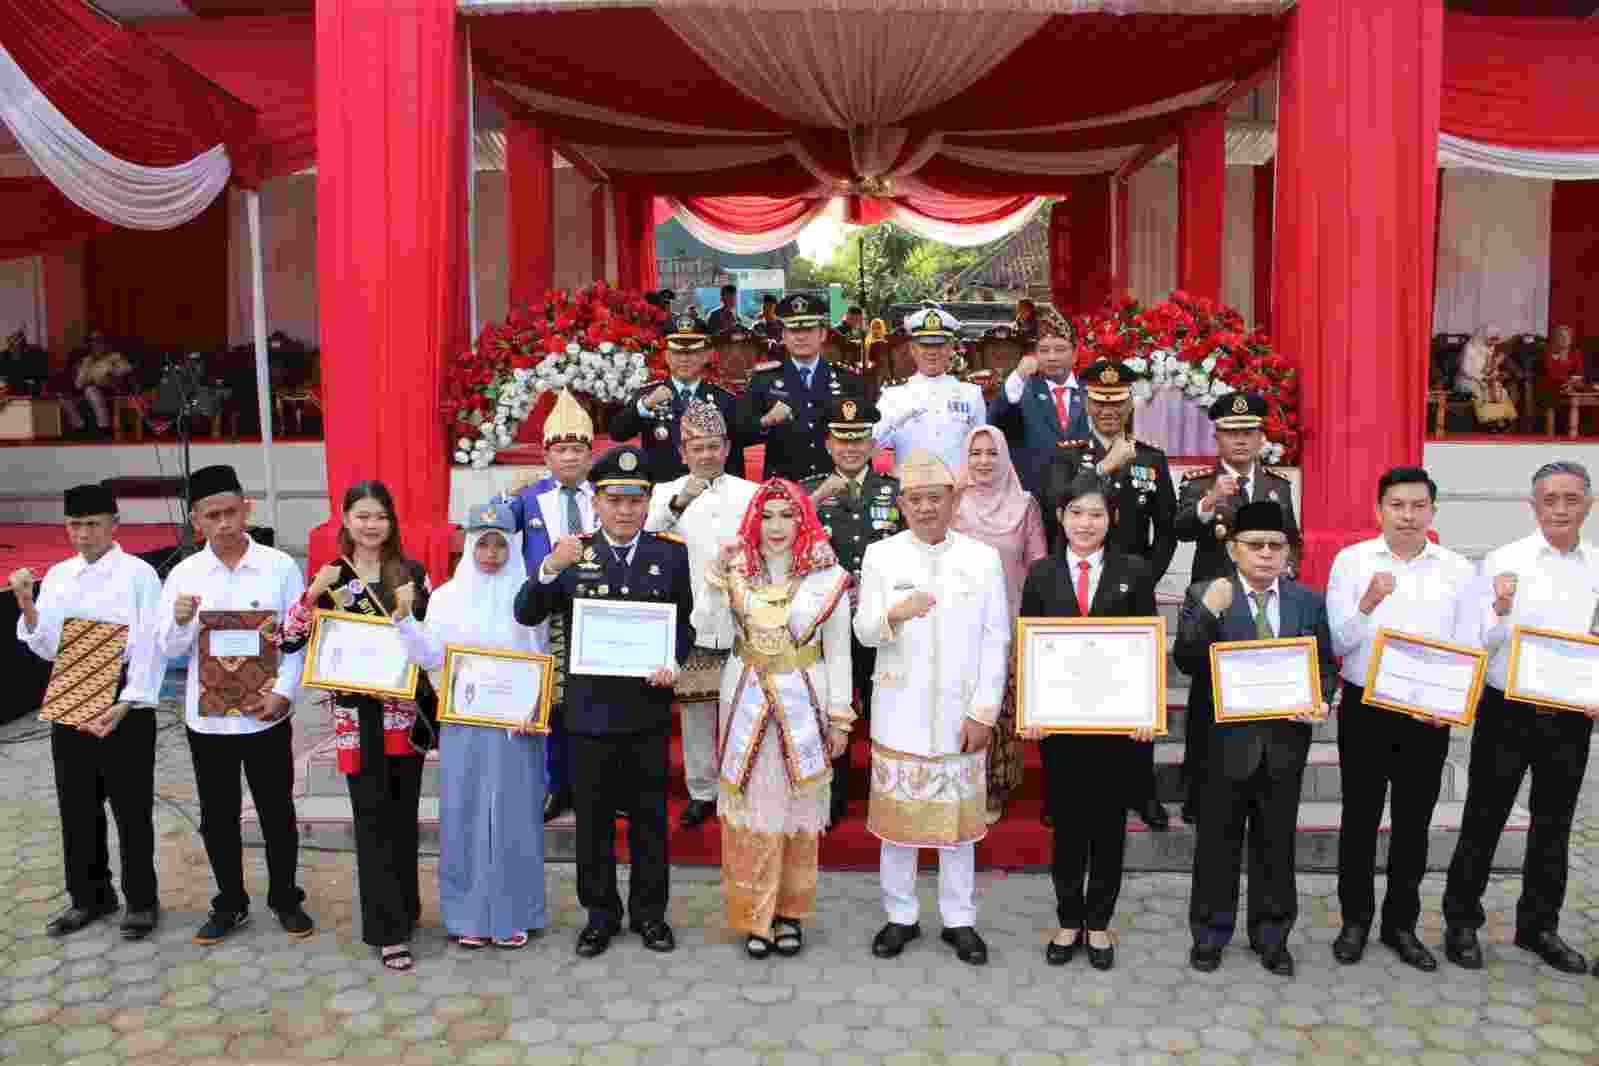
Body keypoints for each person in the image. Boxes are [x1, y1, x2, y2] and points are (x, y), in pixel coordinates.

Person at [515, 445, 695, 957]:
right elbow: (527, 613)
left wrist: (674, 660)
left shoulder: (670, 554)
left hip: (647, 711)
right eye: (614, 500)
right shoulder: (574, 553)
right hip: (589, 716)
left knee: (649, 821)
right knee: (592, 824)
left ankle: (650, 914)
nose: (624, 510)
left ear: (647, 502)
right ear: (596, 502)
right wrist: (549, 567)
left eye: (635, 501)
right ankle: (600, 915)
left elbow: (685, 623)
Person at [1441, 461, 1599, 976]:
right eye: (1549, 499)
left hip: (1570, 715)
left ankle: (1539, 926)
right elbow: (1476, 639)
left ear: (1588, 505)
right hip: (1507, 708)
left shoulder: (1597, 566)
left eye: (1571, 499)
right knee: (1484, 816)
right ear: (1533, 506)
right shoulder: (1502, 561)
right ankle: (1461, 922)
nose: (1560, 509)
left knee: (1554, 823)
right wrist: (1500, 608)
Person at [855, 448, 1010, 967]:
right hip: (900, 707)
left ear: (953, 501)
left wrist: (984, 711)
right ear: (901, 505)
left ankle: (959, 918)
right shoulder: (882, 555)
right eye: (915, 499)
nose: (925, 508)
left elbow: (996, 639)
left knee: (956, 827)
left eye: (935, 498)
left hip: (960, 713)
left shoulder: (981, 558)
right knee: (898, 826)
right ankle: (900, 915)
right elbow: (863, 630)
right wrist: (894, 614)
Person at [278, 481, 435, 971]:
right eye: (362, 516)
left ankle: (405, 910)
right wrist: (312, 594)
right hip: (355, 718)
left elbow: (430, 644)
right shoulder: (331, 576)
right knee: (371, 822)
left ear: (392, 522)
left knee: (403, 819)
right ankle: (387, 931)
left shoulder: (412, 573)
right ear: (345, 520)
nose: (371, 525)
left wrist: (412, 619)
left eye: (380, 516)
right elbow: (288, 639)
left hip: (401, 716)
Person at [1324, 466, 1475, 973]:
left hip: (1428, 713)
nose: (1407, 515)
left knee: (1414, 821)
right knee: (1360, 818)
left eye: (1418, 506)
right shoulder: (1352, 562)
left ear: (1432, 511)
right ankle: (1355, 920)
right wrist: (1368, 602)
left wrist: (1449, 704)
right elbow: (1338, 642)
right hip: (1366, 707)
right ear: (1378, 510)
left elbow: (1468, 645)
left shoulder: (1458, 570)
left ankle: (1401, 925)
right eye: (1397, 505)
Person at [1177, 501, 1337, 978]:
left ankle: (1272, 935)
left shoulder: (1308, 601)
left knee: (1276, 844)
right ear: (1233, 550)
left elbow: (1324, 664)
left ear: (1287, 552)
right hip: (1222, 746)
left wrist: (1322, 699)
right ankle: (1210, 934)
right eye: (1255, 545)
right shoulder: (1207, 593)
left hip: (1284, 744)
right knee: (1216, 845)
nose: (1266, 554)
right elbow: (1186, 659)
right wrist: (1208, 612)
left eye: (1275, 545)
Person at [156, 464, 314, 945]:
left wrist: (284, 692)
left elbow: (298, 637)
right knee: (217, 816)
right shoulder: (184, 574)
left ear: (247, 508)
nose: (224, 523)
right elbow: (169, 649)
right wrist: (180, 620)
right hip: (208, 722)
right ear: (195, 521)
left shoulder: (279, 566)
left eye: (231, 511)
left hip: (266, 715)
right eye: (212, 515)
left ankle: (285, 897)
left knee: (276, 810)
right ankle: (230, 901)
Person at [698, 479, 854, 957]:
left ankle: (789, 914)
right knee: (752, 810)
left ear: (804, 519)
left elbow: (839, 652)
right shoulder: (735, 569)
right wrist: (714, 576)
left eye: (787, 515)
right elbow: (708, 628)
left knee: (796, 810)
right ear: (753, 521)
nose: (776, 526)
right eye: (766, 516)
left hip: (804, 699)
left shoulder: (827, 575)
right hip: (745, 695)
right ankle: (755, 916)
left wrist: (841, 717)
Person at [12, 483, 166, 940]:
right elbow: (47, 647)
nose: (83, 534)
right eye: (75, 525)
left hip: (124, 693)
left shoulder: (139, 574)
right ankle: (90, 897)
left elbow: (150, 643)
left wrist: (129, 700)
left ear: (114, 524)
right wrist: (27, 605)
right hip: (73, 687)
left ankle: (141, 901)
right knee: (76, 803)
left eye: (93, 524)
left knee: (131, 805)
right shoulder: (60, 575)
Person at [1017, 472, 1157, 971]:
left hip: (1116, 727)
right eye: (1076, 513)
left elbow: (1147, 645)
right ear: (1060, 517)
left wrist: (1147, 711)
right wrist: (1031, 709)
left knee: (1109, 828)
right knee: (1068, 827)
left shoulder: (1134, 572)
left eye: (1096, 514)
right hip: (1061, 727)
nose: (1086, 523)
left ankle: (1099, 922)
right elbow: (1028, 645)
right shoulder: (1041, 574)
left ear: (1111, 519)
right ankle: (1067, 919)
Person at [398, 500, 550, 953]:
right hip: (463, 720)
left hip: (516, 726)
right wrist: (405, 625)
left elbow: (540, 655)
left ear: (512, 546)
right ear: (468, 545)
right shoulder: (446, 597)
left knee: (515, 817)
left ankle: (514, 913)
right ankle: (467, 914)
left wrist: (534, 707)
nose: (490, 554)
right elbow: (432, 658)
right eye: (482, 544)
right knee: (464, 814)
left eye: (499, 544)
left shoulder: (527, 595)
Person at [1045, 359, 1177, 830]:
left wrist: (1145, 579)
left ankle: (1141, 790)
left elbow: (1166, 530)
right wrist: (1104, 468)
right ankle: (1061, 793)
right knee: (1067, 689)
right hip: (1078, 591)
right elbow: (1055, 508)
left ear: (1128, 405)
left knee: (1136, 693)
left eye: (1116, 402)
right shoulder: (1068, 456)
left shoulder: (1151, 459)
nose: (1107, 410)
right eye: (1099, 402)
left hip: (1129, 595)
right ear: (1086, 403)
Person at [1174, 392, 1300, 825]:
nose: (1241, 440)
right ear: (1217, 437)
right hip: (1217, 603)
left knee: (1258, 694)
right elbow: (1180, 528)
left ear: (1261, 437)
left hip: (1264, 601)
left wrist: (1288, 572)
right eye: (1231, 433)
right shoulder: (1198, 482)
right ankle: (1197, 794)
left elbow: (1292, 538)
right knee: (1206, 700)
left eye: (1249, 432)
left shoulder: (1277, 485)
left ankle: (1257, 792)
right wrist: (1210, 501)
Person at [643, 399, 759, 829]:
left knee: (743, 708)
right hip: (692, 619)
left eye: (714, 446)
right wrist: (681, 500)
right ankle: (702, 791)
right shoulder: (665, 492)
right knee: (696, 712)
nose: (707, 455)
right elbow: (648, 535)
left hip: (744, 620)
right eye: (698, 447)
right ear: (682, 451)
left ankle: (741, 786)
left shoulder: (750, 493)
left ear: (727, 447)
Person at [802, 396, 903, 828]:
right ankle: (833, 795)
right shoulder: (808, 491)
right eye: (842, 440)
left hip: (881, 622)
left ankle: (889, 792)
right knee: (832, 708)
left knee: (885, 707)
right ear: (828, 444)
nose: (850, 449)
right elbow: (789, 546)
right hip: (830, 623)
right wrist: (814, 500)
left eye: (858, 439)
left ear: (872, 443)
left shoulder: (894, 491)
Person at [504, 389, 596, 822]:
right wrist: (504, 497)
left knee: (594, 703)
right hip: (546, 615)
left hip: (596, 612)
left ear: (590, 454)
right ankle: (556, 786)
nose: (570, 457)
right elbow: (489, 532)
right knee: (554, 703)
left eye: (577, 449)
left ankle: (595, 786)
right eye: (561, 450)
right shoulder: (527, 499)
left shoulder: (607, 496)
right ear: (546, 456)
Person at [951, 425, 1046, 823]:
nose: (984, 460)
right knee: (957, 708)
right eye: (975, 453)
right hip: (957, 626)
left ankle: (994, 789)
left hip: (1008, 624)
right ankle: (956, 787)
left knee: (1000, 713)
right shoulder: (952, 502)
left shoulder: (1025, 505)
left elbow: (1039, 569)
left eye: (992, 452)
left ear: (1005, 456)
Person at [738, 293, 864, 482]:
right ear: (783, 336)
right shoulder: (763, 380)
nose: (801, 337)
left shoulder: (848, 381)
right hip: (784, 488)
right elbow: (741, 434)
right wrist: (766, 421)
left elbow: (863, 440)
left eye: (809, 329)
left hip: (834, 486)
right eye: (793, 330)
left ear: (822, 334)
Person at [609, 314, 744, 483]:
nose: (684, 359)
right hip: (662, 489)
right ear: (667, 356)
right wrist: (645, 405)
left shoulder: (724, 398)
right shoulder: (647, 394)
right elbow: (618, 433)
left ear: (706, 356)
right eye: (677, 352)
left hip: (710, 491)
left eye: (692, 352)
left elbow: (735, 456)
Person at [987, 310, 1092, 497]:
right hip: (1033, 497)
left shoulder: (1090, 394)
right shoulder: (1021, 392)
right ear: (1034, 355)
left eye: (1060, 350)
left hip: (1081, 498)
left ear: (1075, 354)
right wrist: (1018, 377)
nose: (1052, 357)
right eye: (1044, 350)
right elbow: (996, 424)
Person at [872, 305, 988, 473]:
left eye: (939, 345)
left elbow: (981, 451)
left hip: (957, 486)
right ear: (913, 349)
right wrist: (893, 424)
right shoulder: (892, 395)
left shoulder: (971, 394)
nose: (932, 352)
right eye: (925, 345)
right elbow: (873, 446)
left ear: (951, 348)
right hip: (910, 486)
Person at [64, 331, 135, 437]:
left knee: (90, 390)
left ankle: (104, 427)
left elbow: (127, 370)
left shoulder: (115, 357)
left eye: (99, 342)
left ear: (105, 344)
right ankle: (80, 426)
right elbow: (78, 383)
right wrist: (83, 377)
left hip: (110, 387)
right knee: (64, 397)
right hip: (88, 388)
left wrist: (112, 375)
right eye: (93, 342)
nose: (96, 345)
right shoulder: (86, 361)